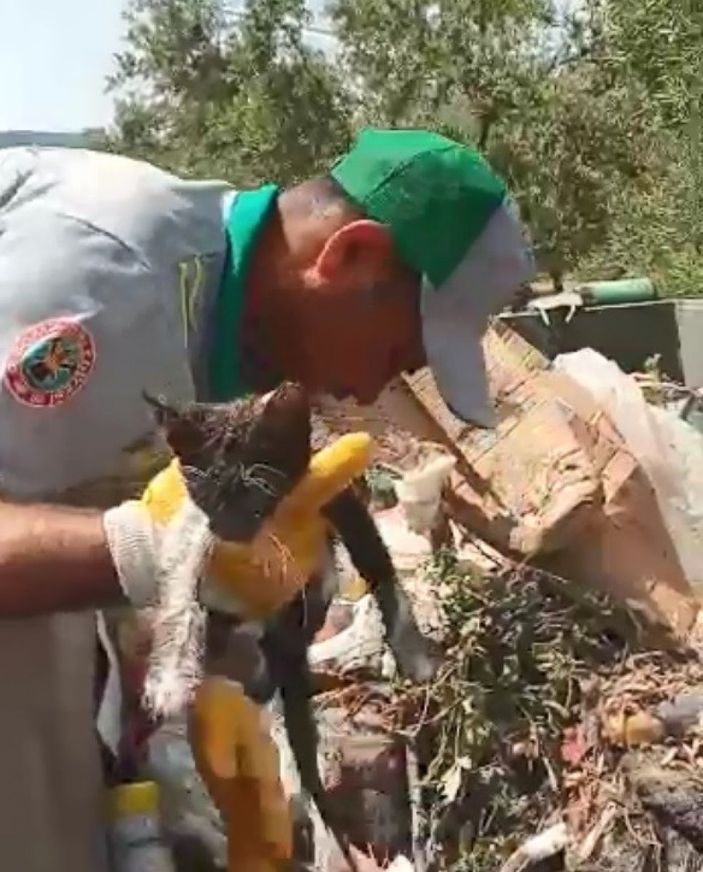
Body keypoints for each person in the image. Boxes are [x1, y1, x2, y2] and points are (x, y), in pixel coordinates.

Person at [0, 128, 533, 871]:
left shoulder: (221, 321)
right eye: (394, 355)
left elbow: (54, 488)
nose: (374, 391)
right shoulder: (99, 284)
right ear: (350, 255)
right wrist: (158, 551)